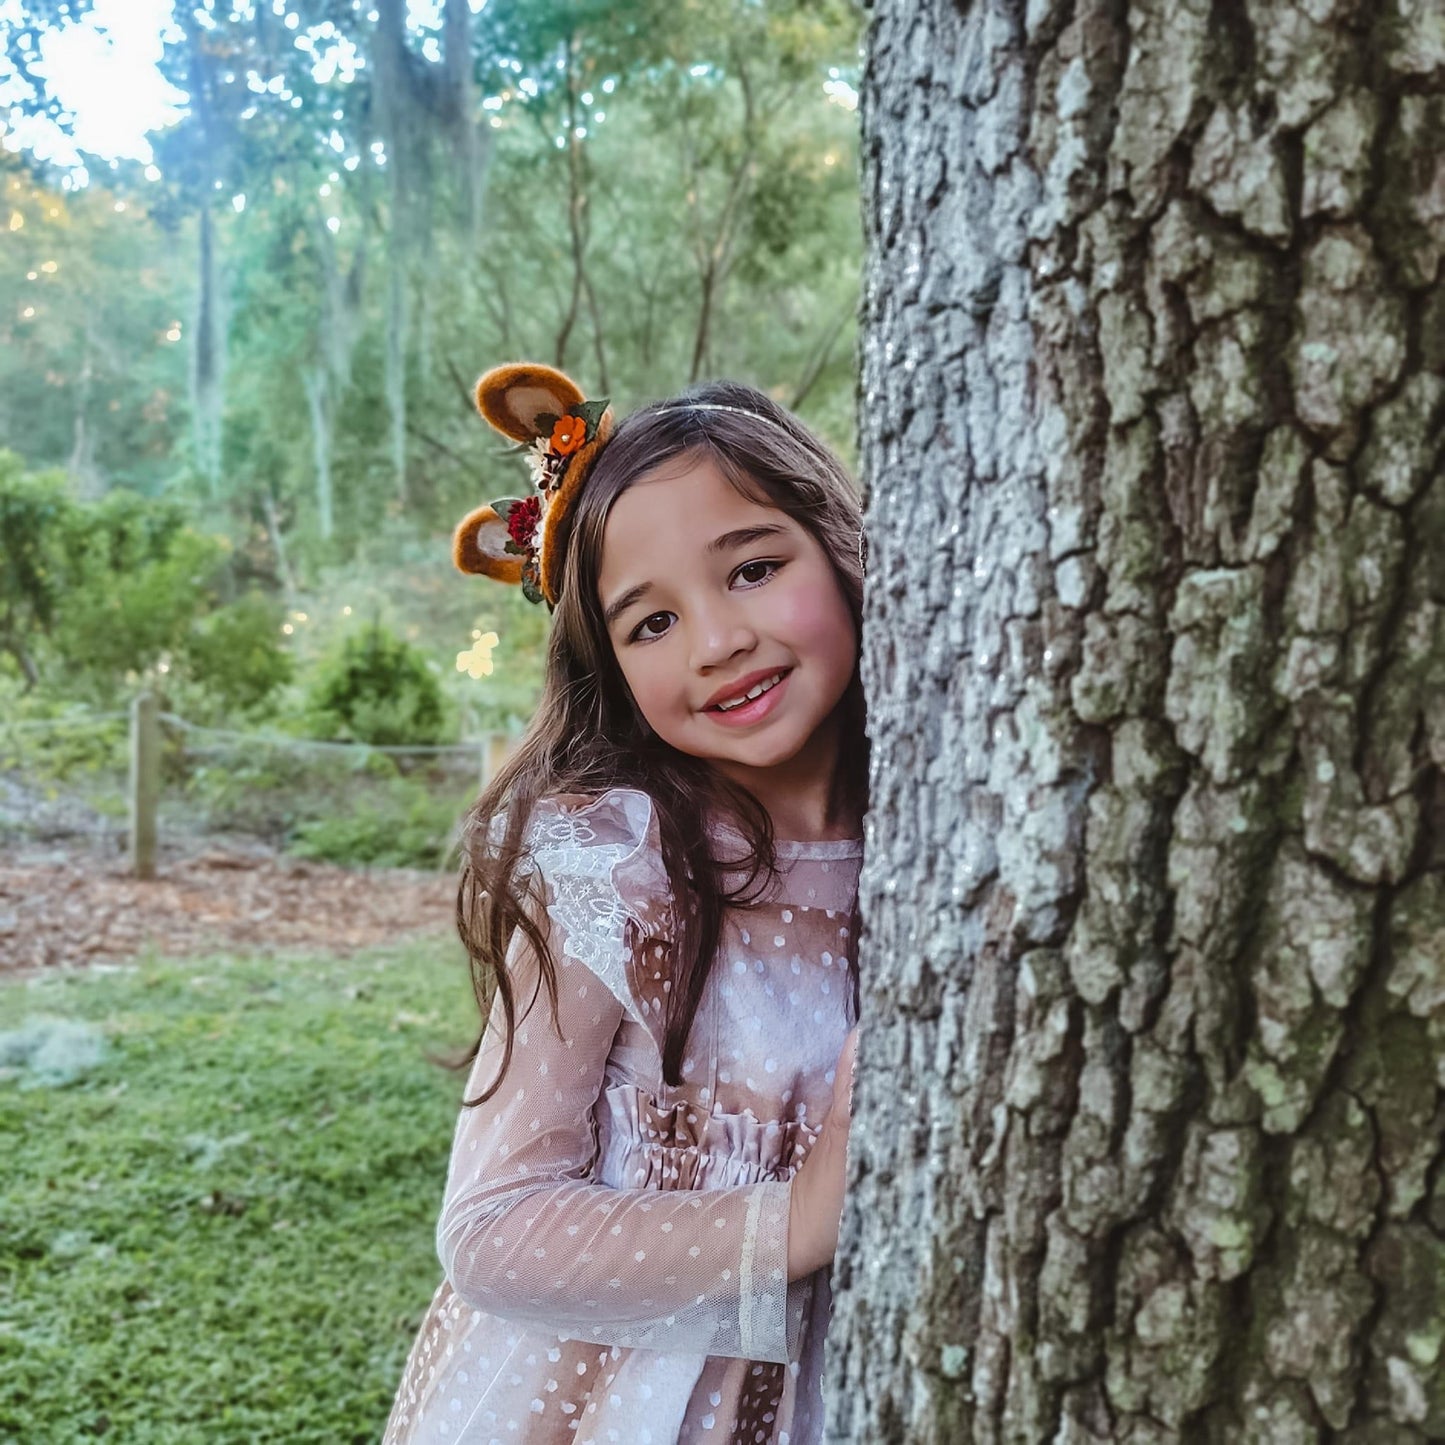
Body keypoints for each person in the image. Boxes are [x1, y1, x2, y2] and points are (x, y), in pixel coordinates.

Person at [383, 362, 867, 1445]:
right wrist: (788, 1219)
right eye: (648, 624)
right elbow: (492, 1227)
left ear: (841, 545)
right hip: (611, 1404)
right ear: (606, 664)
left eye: (750, 567)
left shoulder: (932, 831)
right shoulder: (618, 866)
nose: (714, 640)